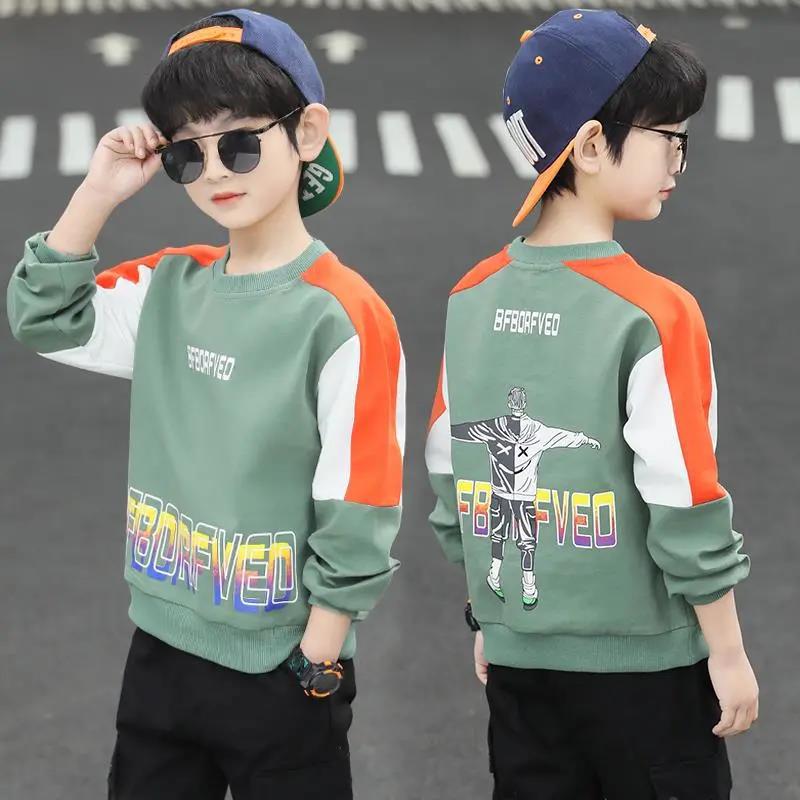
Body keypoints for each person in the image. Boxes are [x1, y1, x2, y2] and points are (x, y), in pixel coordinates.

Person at [7, 10, 405, 800]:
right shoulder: (169, 286)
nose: (216, 169)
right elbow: (44, 318)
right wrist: (98, 192)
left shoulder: (342, 314)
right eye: (188, 153)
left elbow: (359, 502)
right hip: (161, 650)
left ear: (307, 133)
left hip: (285, 668)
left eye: (241, 142)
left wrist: (318, 658)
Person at [424, 10, 757, 799]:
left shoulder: (472, 297)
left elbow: (451, 475)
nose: (677, 159)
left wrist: (490, 612)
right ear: (592, 144)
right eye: (668, 136)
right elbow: (683, 500)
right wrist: (728, 651)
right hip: (649, 673)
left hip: (521, 663)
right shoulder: (654, 312)